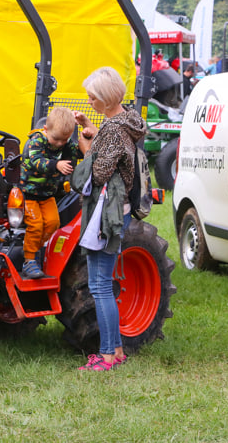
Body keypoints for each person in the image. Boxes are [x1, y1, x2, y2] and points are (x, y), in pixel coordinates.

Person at [72, 66, 147, 371]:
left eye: (92, 97)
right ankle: (115, 350)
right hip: (118, 210)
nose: (89, 101)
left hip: (108, 213)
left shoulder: (115, 131)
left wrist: (86, 148)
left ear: (104, 98)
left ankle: (106, 357)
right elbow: (111, 144)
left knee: (100, 285)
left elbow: (100, 172)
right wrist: (92, 128)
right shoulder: (122, 122)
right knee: (104, 282)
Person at [19, 107, 81, 279]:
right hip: (29, 193)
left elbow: (78, 151)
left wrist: (87, 138)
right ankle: (29, 259)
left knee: (53, 223)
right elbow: (36, 161)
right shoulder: (36, 141)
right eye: (56, 139)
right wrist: (56, 164)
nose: (60, 144)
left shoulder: (64, 143)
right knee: (36, 225)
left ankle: (36, 249)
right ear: (46, 129)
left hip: (47, 194)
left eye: (64, 140)